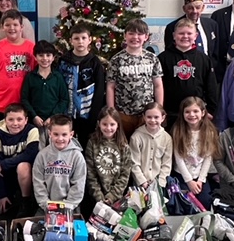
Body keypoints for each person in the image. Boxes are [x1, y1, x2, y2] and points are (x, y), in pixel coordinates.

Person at [157, 17, 218, 132]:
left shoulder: (204, 59)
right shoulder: (162, 58)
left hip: (195, 115)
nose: (185, 36)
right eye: (181, 33)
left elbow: (211, 87)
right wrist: (160, 110)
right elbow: (157, 86)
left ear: (195, 36)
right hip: (170, 114)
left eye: (189, 33)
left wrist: (210, 110)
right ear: (174, 35)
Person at [107, 18, 163, 139]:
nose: (135, 37)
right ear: (125, 36)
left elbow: (158, 85)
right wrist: (111, 112)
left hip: (147, 114)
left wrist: (159, 109)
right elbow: (110, 87)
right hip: (123, 114)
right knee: (124, 144)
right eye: (131, 33)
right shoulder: (117, 60)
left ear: (146, 37)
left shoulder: (152, 59)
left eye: (139, 34)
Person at [58, 22, 106, 150]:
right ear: (70, 41)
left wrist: (94, 116)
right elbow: (58, 86)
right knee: (66, 145)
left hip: (87, 114)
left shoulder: (95, 62)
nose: (80, 42)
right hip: (66, 113)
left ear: (89, 40)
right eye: (76, 38)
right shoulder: (63, 61)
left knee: (86, 146)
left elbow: (100, 90)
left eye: (84, 38)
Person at [0, 9, 36, 126]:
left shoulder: (31, 47)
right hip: (2, 104)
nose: (11, 28)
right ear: (3, 27)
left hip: (26, 104)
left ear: (21, 27)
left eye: (15, 25)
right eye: (7, 25)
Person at [171, 96, 221, 210]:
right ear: (182, 114)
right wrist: (189, 181)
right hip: (182, 175)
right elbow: (178, 158)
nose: (191, 115)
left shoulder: (210, 132)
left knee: (206, 202)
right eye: (187, 112)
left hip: (199, 175)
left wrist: (200, 180)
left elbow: (208, 158)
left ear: (203, 112)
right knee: (184, 202)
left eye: (195, 111)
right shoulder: (178, 130)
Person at [0, 102, 40, 218]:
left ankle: (26, 201)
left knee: (23, 166)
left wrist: (5, 163)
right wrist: (1, 195)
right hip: (6, 176)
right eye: (11, 120)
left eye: (19, 119)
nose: (15, 123)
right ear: (5, 120)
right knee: (1, 211)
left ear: (26, 120)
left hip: (27, 175)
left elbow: (30, 155)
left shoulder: (32, 130)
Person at [82, 106, 132, 220]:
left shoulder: (124, 145)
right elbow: (90, 173)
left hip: (116, 199)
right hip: (95, 199)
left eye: (112, 124)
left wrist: (112, 196)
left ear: (118, 125)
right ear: (99, 123)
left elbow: (125, 174)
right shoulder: (92, 143)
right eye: (105, 124)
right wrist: (99, 197)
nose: (108, 128)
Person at [32, 114, 87, 216]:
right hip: (46, 207)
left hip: (70, 207)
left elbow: (78, 186)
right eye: (56, 134)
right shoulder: (42, 156)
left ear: (71, 134)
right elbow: (38, 183)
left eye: (64, 135)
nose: (60, 138)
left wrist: (66, 207)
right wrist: (47, 206)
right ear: (50, 133)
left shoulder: (77, 157)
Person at [21, 39, 69, 149]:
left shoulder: (58, 77)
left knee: (55, 149)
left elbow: (64, 99)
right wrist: (34, 116)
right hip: (35, 122)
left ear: (53, 57)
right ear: (35, 57)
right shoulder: (30, 77)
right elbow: (24, 99)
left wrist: (52, 117)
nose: (45, 59)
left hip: (54, 123)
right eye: (41, 55)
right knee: (37, 150)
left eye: (48, 55)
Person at [164, 0, 218, 64]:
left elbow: (216, 51)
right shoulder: (172, 27)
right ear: (184, 9)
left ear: (203, 8)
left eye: (198, 7)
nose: (194, 11)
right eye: (190, 8)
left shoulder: (212, 24)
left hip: (206, 68)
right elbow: (169, 54)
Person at [129, 102, 173, 190]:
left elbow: (166, 164)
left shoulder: (167, 138)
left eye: (156, 117)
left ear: (163, 118)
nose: (152, 120)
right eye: (149, 117)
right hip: (139, 183)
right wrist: (143, 182)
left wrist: (160, 183)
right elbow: (134, 163)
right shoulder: (136, 137)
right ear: (144, 117)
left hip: (159, 184)